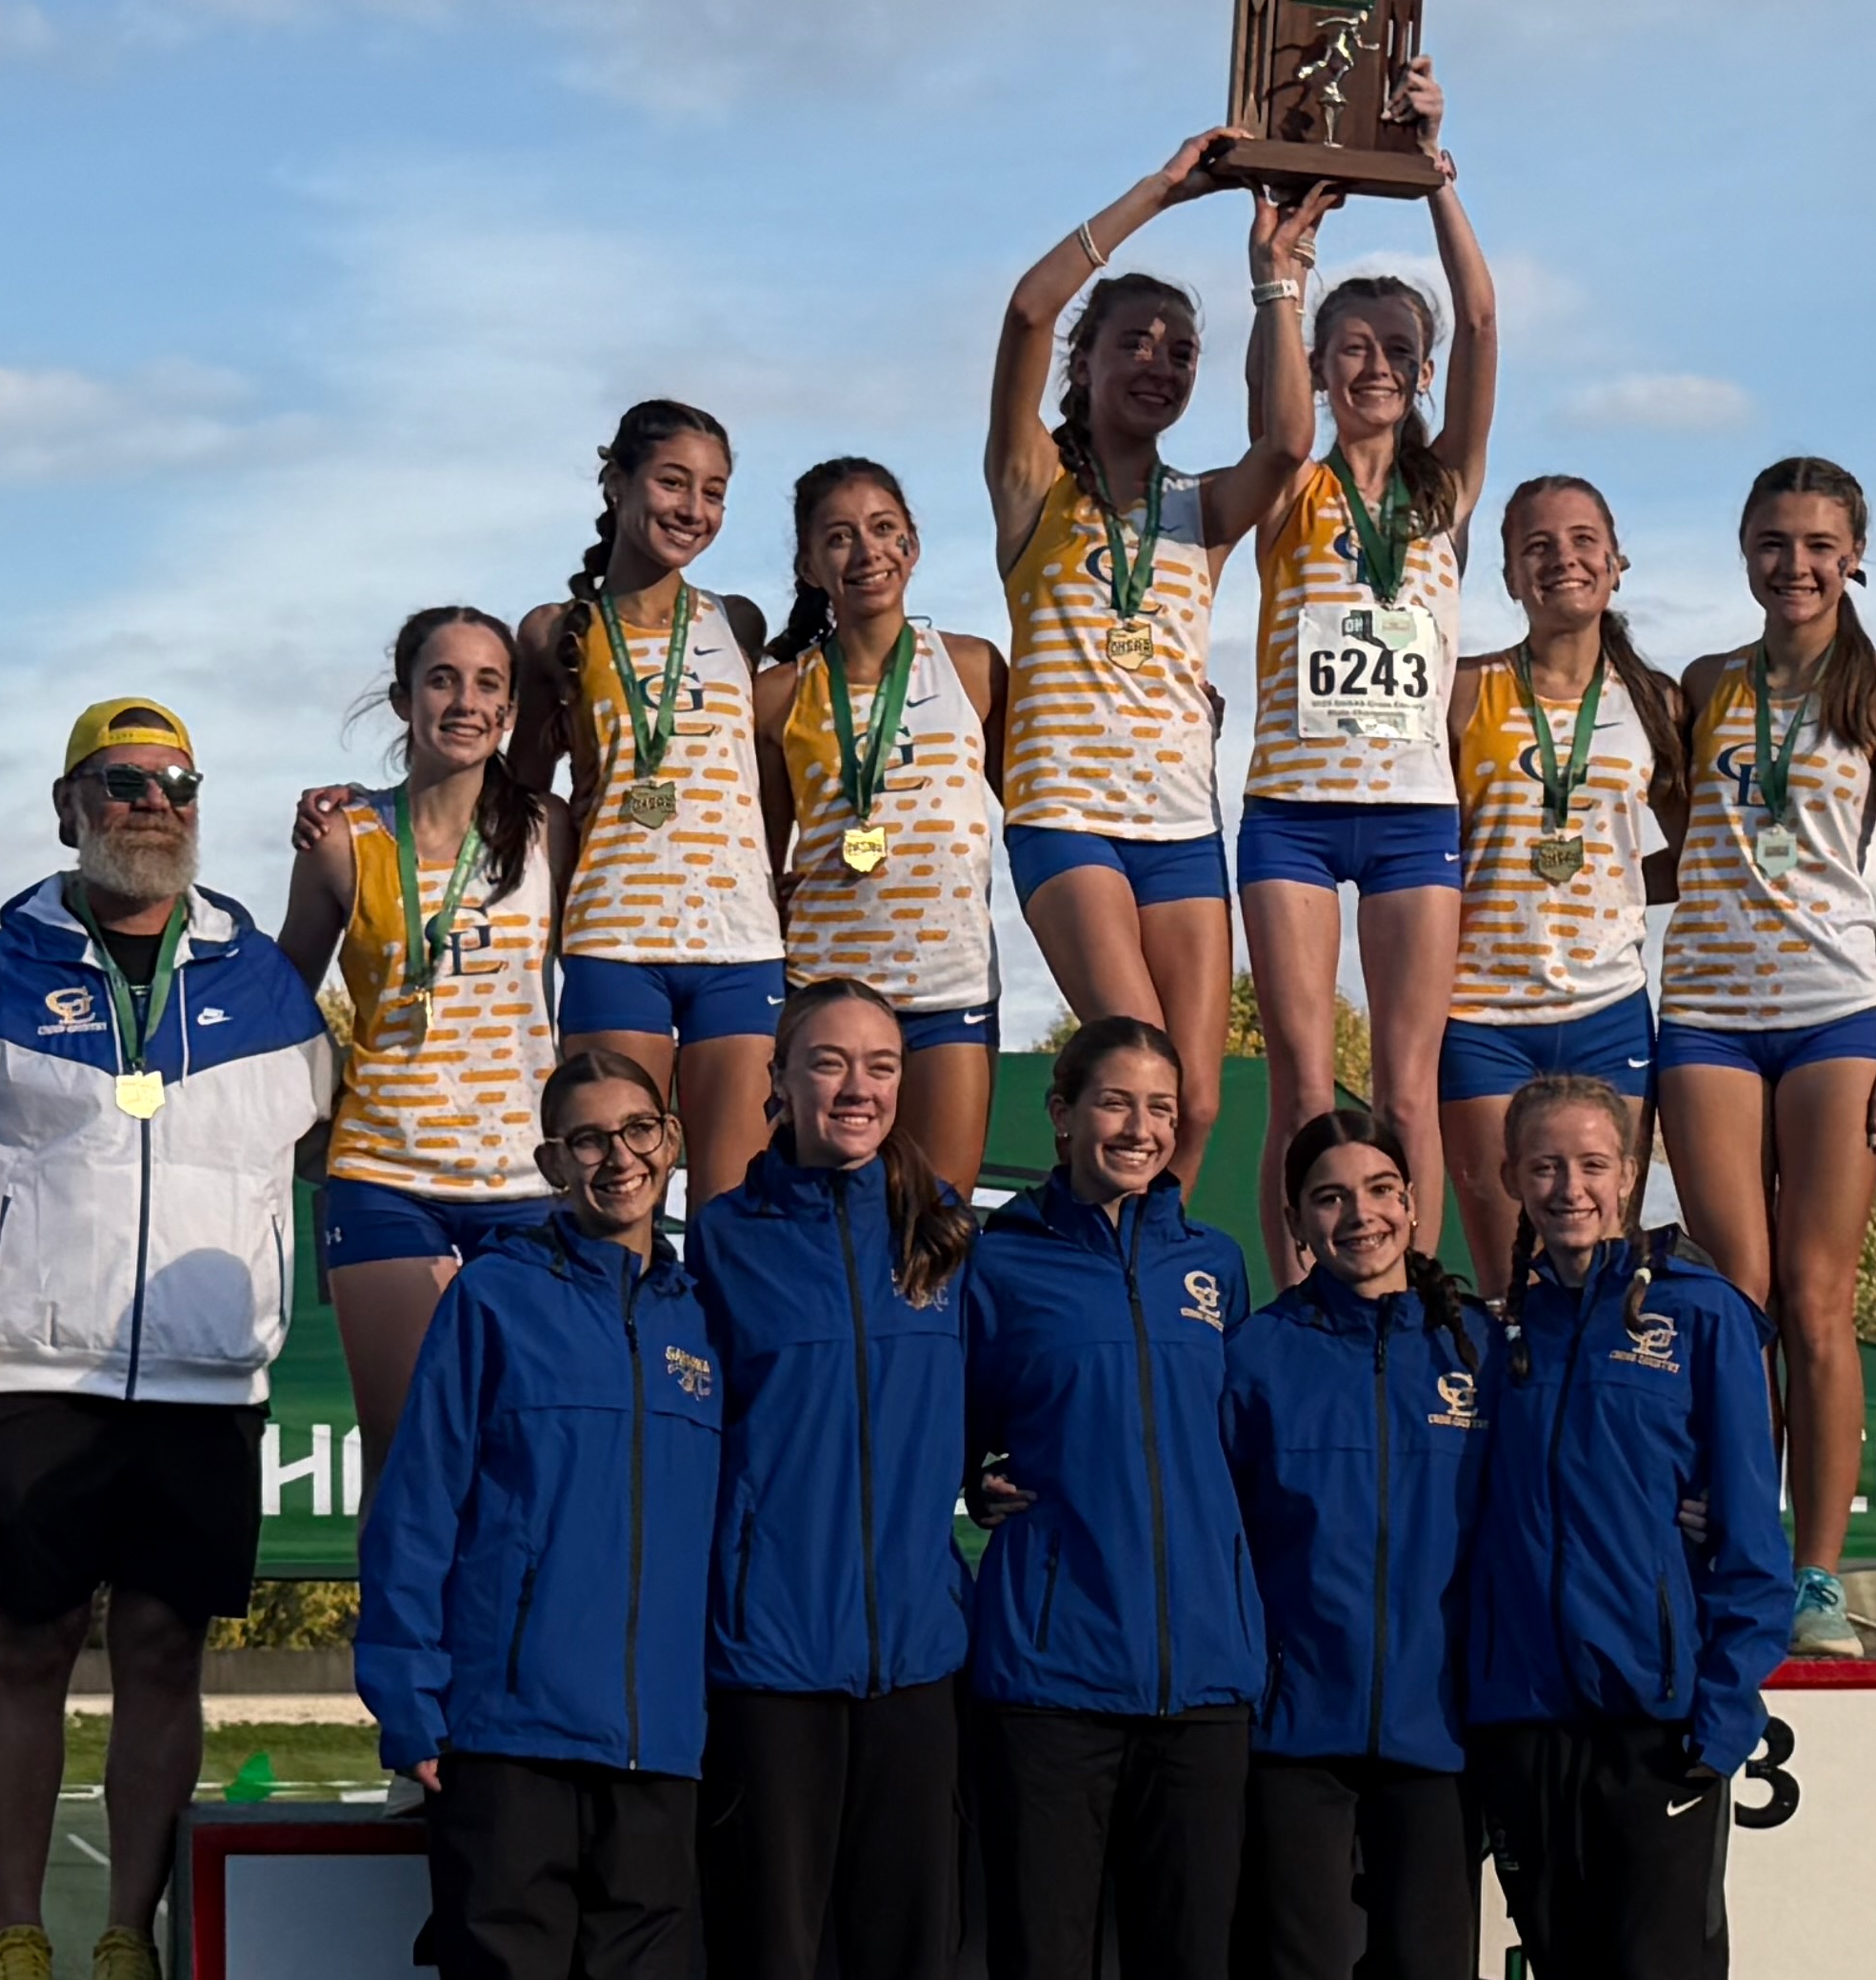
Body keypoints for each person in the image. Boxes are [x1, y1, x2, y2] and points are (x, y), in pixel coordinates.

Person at [0, 695, 336, 1980]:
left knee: (165, 1655)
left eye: (173, 785)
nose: (148, 807)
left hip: (204, 1379)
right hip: (31, 1369)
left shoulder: (270, 984)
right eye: (118, 785)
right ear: (68, 808)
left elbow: (358, 1121)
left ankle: (125, 1940)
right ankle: (16, 1940)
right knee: (29, 1643)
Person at [358, 1052, 724, 1980]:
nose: (615, 1158)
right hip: (505, 1737)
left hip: (656, 1747)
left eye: (635, 1133)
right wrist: (410, 1703)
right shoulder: (496, 1299)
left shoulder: (704, 1317)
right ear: (547, 1163)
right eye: (584, 1139)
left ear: (671, 1143)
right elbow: (420, 1504)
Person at [986, 135, 1333, 1195]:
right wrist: (1161, 193)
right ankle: (1084, 1268)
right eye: (1133, 343)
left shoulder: (1203, 510)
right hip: (1067, 810)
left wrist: (1276, 278)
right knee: (1132, 1057)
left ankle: (1151, 1279)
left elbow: (1285, 442)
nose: (1158, 363)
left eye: (1180, 351)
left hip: (1181, 821)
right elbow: (1026, 314)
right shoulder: (1033, 484)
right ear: (1085, 365)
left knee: (1198, 1098)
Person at [1463, 1072, 1795, 1980]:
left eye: (1592, 1165)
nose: (1570, 1188)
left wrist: (1720, 1715)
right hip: (1524, 1730)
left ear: (1631, 1175)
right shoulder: (1492, 1338)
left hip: (1656, 1732)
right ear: (1511, 1177)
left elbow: (1752, 1541)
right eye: (1546, 1166)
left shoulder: (1699, 1319)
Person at [963, 1013, 1268, 1980]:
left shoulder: (1215, 1266)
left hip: (1202, 1682)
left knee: (1186, 1971)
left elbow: (1239, 1452)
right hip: (1050, 1678)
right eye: (1113, 1103)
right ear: (1062, 1114)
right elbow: (952, 1427)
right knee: (1040, 1971)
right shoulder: (999, 1264)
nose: (1137, 1128)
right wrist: (973, 1479)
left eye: (1158, 1108)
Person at [689, 974, 977, 1980]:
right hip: (770, 1661)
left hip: (915, 1660)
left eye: (879, 1066)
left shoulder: (946, 1230)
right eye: (828, 1063)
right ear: (780, 1083)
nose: (856, 1088)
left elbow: (1016, 1401)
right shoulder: (722, 1238)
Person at [1659, 457, 1876, 1666]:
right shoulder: (1707, 684)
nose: (1797, 564)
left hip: (1834, 1011)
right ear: (1744, 551)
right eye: (1775, 541)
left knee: (1820, 1304)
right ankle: (1739, 1550)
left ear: (1856, 554)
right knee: (1737, 1295)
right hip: (1707, 1010)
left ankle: (1815, 1578)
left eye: (1821, 543)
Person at [1235, 79, 1492, 1254]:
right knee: (1298, 1087)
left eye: (1397, 350)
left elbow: (1486, 324)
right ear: (1325, 369)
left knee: (1404, 1086)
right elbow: (1276, 411)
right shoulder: (1292, 478)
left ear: (1423, 372)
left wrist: (1435, 175)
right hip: (1290, 810)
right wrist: (1281, 276)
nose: (1376, 367)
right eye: (1352, 351)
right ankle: (1296, 1327)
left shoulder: (1445, 492)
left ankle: (1411, 1310)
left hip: (1409, 817)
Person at [1225, 1103, 1493, 1980]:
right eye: (1331, 1197)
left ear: (1415, 1206)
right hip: (1297, 1733)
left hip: (1439, 1733)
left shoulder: (1478, 1351)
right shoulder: (1255, 1357)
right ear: (1296, 1221)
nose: (1361, 1215)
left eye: (1381, 1191)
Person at [285, 609, 558, 1455]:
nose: (465, 701)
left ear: (511, 712)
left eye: (488, 684)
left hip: (526, 1175)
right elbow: (285, 995)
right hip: (385, 1172)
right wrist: (309, 1121)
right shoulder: (341, 836)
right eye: (443, 680)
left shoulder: (553, 828)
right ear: (404, 699)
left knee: (522, 1450)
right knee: (408, 1456)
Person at [529, 401, 780, 1202]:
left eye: (713, 493)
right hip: (614, 937)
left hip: (741, 945)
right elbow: (520, 796)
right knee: (613, 1196)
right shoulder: (554, 630)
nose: (693, 510)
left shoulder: (737, 621)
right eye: (673, 483)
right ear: (616, 483)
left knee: (731, 1209)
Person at [1441, 474, 1676, 1296]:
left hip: (1608, 1009)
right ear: (1507, 575)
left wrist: (1614, 885)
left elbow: (1703, 847)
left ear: (1616, 562)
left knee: (1604, 1274)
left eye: (1582, 541)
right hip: (1480, 1013)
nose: (1562, 560)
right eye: (1536, 547)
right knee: (1509, 1283)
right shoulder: (1465, 689)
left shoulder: (1658, 703)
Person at [756, 460, 1007, 1190]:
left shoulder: (973, 666)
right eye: (838, 538)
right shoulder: (776, 696)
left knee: (940, 1222)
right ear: (808, 565)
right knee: (820, 1220)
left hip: (949, 987)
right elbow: (765, 860)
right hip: (824, 992)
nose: (866, 553)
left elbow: (1044, 799)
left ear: (913, 545)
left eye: (883, 530)